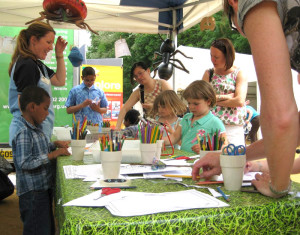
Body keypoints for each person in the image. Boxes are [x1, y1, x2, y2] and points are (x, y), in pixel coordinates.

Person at [192, 0, 300, 198]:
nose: (243, 32)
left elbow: (281, 117)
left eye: (236, 25)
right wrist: (232, 156)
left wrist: (277, 186)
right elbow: (294, 129)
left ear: (234, 3)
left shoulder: (252, 2)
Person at [11, 86, 70, 235]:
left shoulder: (36, 128)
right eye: (45, 108)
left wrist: (53, 145)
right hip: (33, 194)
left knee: (46, 227)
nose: (47, 113)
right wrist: (52, 155)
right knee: (37, 228)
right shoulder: (23, 132)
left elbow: (38, 148)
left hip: (42, 189)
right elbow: (24, 162)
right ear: (32, 107)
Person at [8, 21, 68, 145]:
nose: (51, 47)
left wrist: (59, 54)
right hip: (29, 137)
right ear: (34, 40)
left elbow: (60, 80)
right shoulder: (27, 65)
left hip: (37, 134)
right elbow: (24, 106)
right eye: (48, 42)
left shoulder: (37, 64)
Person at [202, 38, 248, 146]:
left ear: (227, 56)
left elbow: (239, 101)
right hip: (211, 125)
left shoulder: (239, 73)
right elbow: (202, 99)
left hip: (232, 127)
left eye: (216, 57)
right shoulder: (209, 73)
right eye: (211, 56)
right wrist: (227, 97)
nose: (213, 60)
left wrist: (213, 100)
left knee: (234, 159)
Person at [162, 80, 228, 154]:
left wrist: (207, 148)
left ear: (208, 101)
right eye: (189, 103)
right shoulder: (186, 118)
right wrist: (159, 141)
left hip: (203, 163)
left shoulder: (215, 122)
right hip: (183, 161)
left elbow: (225, 146)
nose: (191, 107)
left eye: (196, 104)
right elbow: (174, 137)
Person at [115, 61, 172, 129]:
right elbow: (124, 109)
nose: (139, 77)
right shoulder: (139, 92)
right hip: (150, 130)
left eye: (140, 73)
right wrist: (117, 127)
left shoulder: (162, 84)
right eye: (136, 76)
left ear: (148, 70)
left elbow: (173, 104)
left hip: (167, 127)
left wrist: (154, 107)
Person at [65, 66, 108, 132]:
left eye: (92, 80)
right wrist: (82, 105)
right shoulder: (75, 91)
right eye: (87, 80)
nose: (90, 82)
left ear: (95, 77)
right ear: (82, 78)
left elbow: (105, 109)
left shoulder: (99, 91)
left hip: (96, 126)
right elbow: (68, 110)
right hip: (80, 127)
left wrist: (98, 109)